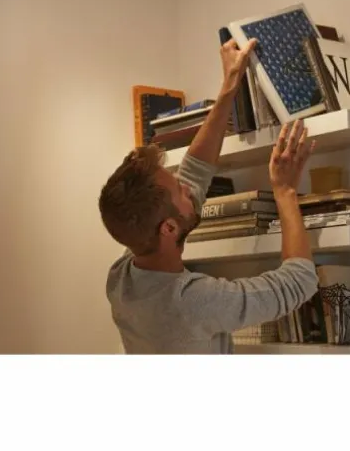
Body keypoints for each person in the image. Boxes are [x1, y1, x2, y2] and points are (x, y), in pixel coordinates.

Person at [98, 38, 319, 354]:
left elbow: (194, 172)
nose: (188, 187)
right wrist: (285, 192)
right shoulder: (191, 301)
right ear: (169, 228)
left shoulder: (123, 279)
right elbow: (298, 282)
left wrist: (229, 87)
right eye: (180, 191)